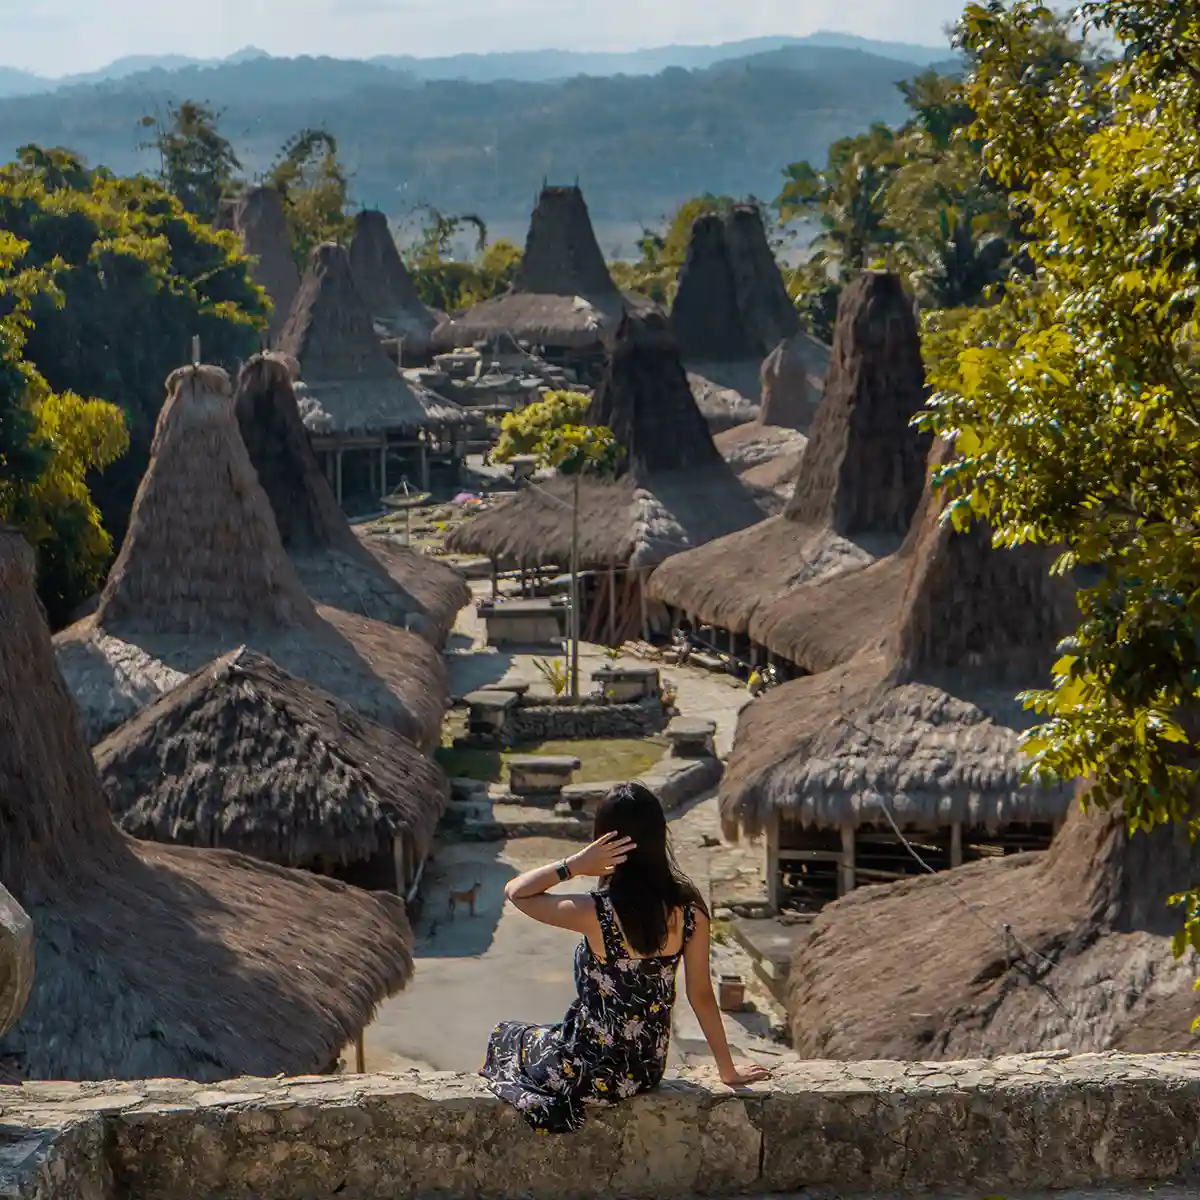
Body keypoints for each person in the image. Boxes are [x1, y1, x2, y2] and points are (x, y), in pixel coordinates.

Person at [480, 782, 770, 1133]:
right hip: (645, 1070)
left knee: (509, 1036)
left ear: (604, 842)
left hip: (589, 1069)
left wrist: (575, 865)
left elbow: (517, 892)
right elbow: (702, 995)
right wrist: (728, 1069)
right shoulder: (690, 910)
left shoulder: (596, 912)